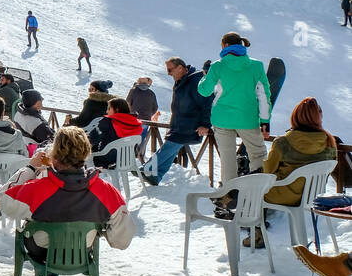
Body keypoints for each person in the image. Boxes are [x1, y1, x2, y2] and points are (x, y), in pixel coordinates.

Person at [0, 126, 134, 276]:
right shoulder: (105, 190)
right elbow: (122, 241)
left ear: (54, 155)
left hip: (41, 250)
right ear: (85, 153)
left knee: (44, 231)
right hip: (81, 252)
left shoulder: (38, 188)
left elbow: (4, 199)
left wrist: (31, 167)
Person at [198, 32, 271, 186]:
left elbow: (204, 91)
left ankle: (229, 197)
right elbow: (264, 95)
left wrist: (205, 75)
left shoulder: (217, 66)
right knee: (258, 155)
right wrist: (265, 121)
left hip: (222, 119)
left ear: (225, 45)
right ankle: (259, 194)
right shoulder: (256, 66)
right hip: (247, 118)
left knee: (227, 159)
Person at [141, 58, 213, 184]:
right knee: (172, 148)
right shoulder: (182, 80)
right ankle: (156, 176)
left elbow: (207, 103)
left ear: (180, 68)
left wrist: (205, 124)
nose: (168, 73)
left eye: (170, 70)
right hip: (179, 123)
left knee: (170, 146)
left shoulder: (196, 80)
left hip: (190, 124)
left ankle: (147, 168)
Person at [261, 97, 338, 207]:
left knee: (252, 186)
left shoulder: (282, 142)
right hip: (312, 196)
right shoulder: (329, 142)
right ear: (318, 118)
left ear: (295, 117)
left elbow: (268, 172)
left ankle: (251, 221)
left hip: (281, 195)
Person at [85, 97, 143, 168]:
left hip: (106, 159)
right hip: (127, 160)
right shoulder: (135, 123)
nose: (107, 112)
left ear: (117, 110)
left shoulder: (108, 122)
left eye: (109, 108)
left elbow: (93, 139)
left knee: (87, 151)